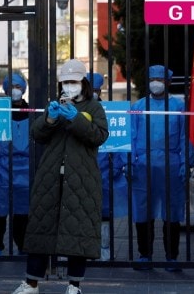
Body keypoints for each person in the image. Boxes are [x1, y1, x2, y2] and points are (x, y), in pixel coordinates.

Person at [13, 60, 109, 294]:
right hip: (50, 178)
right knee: (40, 229)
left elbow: (99, 136)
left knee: (78, 232)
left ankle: (74, 285)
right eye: (65, 82)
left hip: (81, 180)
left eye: (73, 82)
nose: (69, 86)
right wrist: (49, 119)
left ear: (82, 83)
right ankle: (31, 283)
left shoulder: (94, 108)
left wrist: (77, 119)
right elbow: (37, 134)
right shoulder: (54, 105)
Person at [129, 64, 188, 272]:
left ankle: (171, 257)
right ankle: (145, 255)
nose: (156, 83)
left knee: (172, 210)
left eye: (160, 80)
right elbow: (131, 137)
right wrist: (129, 161)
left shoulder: (179, 107)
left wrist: (185, 162)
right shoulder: (138, 107)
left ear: (168, 82)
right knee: (143, 209)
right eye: (153, 79)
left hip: (171, 164)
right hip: (142, 164)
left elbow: (185, 137)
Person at [86, 72, 128, 262]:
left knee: (104, 215)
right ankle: (85, 250)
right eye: (91, 90)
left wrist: (117, 166)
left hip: (105, 171)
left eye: (96, 90)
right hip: (83, 170)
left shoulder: (110, 111)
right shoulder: (77, 110)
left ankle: (104, 249)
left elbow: (120, 141)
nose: (94, 93)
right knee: (84, 213)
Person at [0, 73, 30, 256]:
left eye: (18, 87)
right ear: (5, 89)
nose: (15, 91)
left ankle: (22, 245)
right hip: (3, 171)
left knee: (22, 213)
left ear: (24, 89)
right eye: (11, 87)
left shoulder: (31, 113)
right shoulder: (0, 113)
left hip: (26, 172)